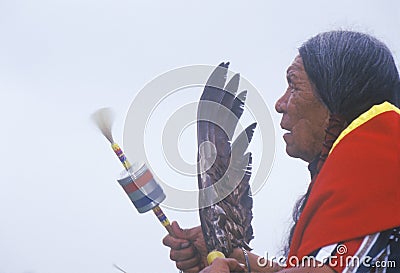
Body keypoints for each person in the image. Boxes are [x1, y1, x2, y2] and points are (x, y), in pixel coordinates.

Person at [163, 30, 400, 273]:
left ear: (337, 95)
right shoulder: (362, 177)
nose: (280, 104)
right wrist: (234, 257)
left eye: (294, 86)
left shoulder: (377, 166)